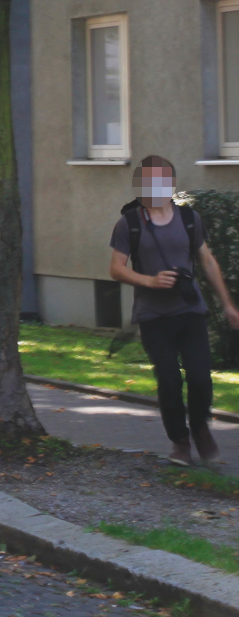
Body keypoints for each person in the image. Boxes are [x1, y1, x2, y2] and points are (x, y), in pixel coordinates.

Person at [109, 155, 239, 465]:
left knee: (200, 377)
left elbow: (207, 261)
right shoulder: (129, 224)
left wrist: (228, 305)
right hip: (153, 316)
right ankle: (180, 441)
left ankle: (201, 430)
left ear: (171, 183)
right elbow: (116, 268)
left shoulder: (189, 219)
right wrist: (149, 281)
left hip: (190, 309)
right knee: (168, 379)